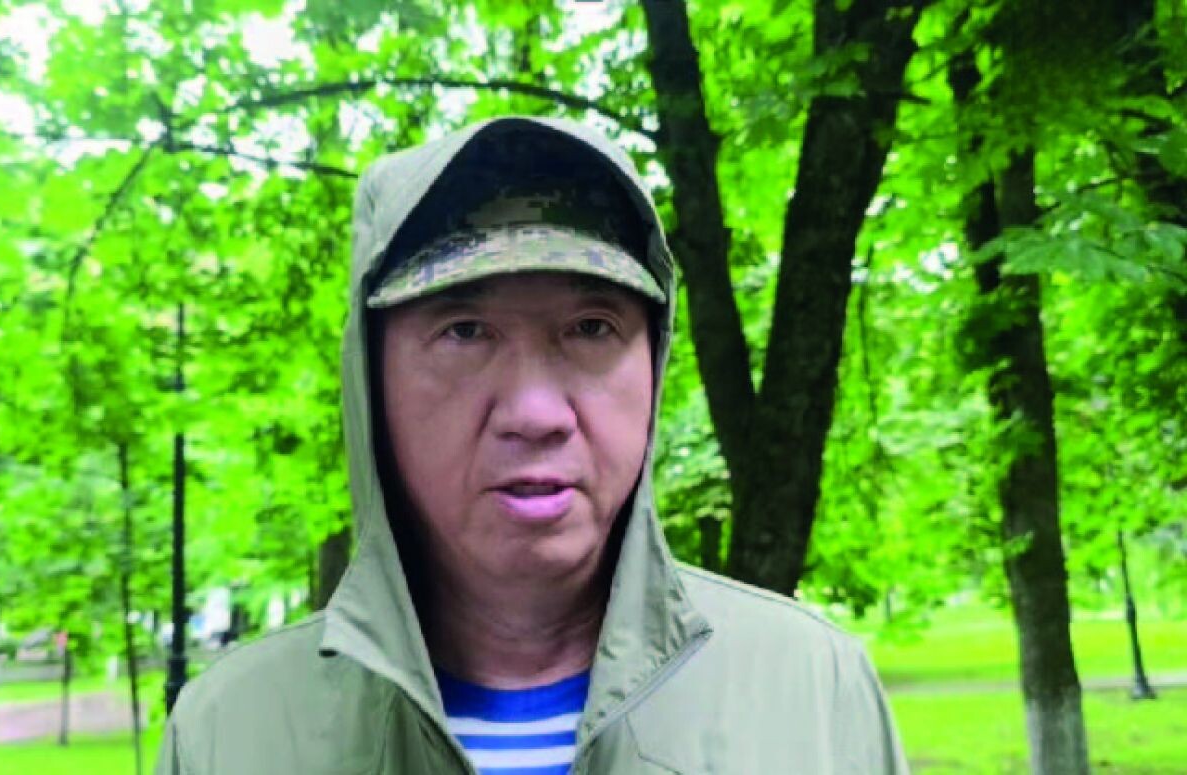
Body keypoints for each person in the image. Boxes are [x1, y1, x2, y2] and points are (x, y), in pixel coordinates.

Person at [156, 116, 907, 774]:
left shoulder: (812, 692)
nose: (536, 413)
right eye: (464, 331)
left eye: (591, 328)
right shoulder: (232, 733)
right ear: (372, 383)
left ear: (653, 365)